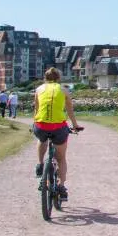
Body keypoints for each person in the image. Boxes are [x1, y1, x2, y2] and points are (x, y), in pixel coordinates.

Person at [33, 67, 81, 201]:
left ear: (45, 77)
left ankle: (40, 164)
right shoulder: (64, 90)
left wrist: (35, 124)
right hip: (58, 127)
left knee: (41, 139)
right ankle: (61, 186)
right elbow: (70, 111)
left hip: (41, 125)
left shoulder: (38, 89)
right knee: (61, 158)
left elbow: (36, 110)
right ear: (58, 78)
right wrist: (75, 125)